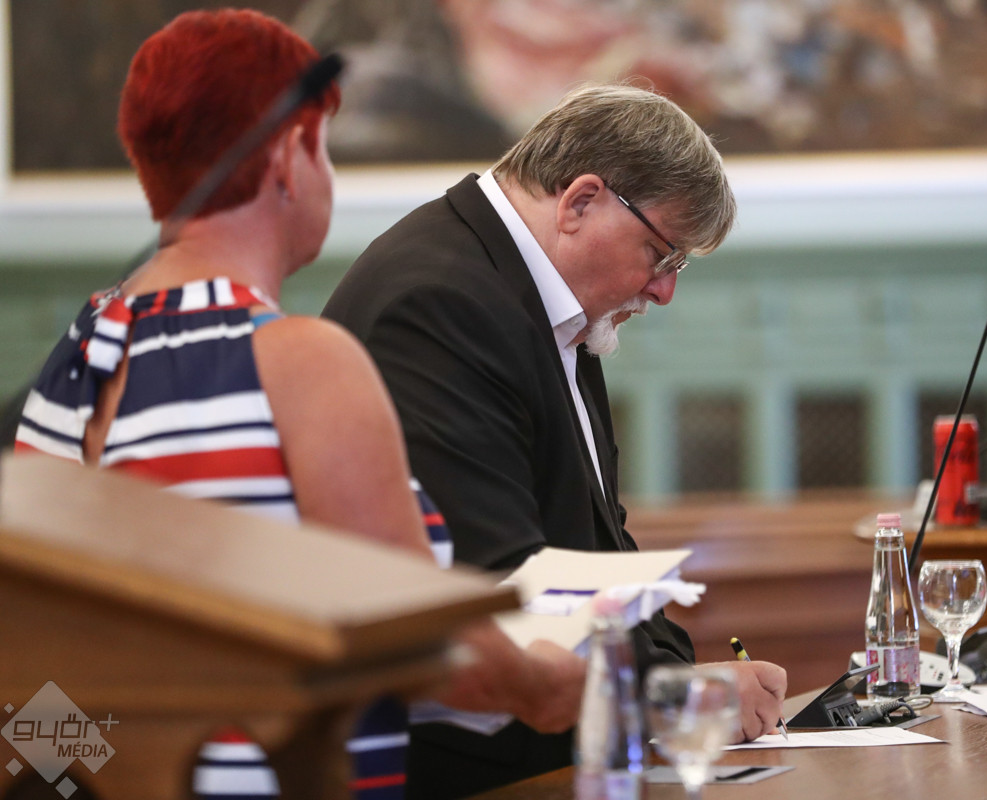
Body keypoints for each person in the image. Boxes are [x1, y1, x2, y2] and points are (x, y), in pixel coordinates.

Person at [11, 9, 583, 798]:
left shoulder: (75, 358)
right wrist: (554, 682)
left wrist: (126, 782)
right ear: (290, 155)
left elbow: (30, 675)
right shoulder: (301, 363)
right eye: (324, 148)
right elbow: (425, 651)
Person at [323, 83, 788, 797]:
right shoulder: (441, 303)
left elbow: (599, 547)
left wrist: (684, 677)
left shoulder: (542, 300)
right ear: (580, 202)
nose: (664, 291)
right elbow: (497, 583)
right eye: (660, 254)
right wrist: (674, 695)